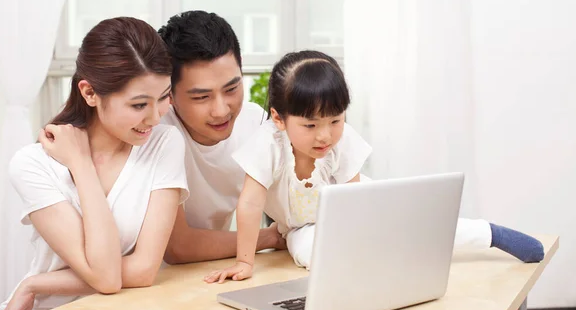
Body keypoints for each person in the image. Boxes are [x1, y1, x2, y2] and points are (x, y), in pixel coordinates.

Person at [204, 50, 545, 283]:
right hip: (301, 228)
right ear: (278, 118)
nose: (325, 135)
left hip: (353, 206)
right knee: (310, 253)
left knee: (413, 220)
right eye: (310, 125)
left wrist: (364, 231)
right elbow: (249, 203)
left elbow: (355, 197)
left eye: (335, 120)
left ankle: (489, 234)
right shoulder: (268, 144)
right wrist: (245, 261)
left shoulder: (341, 139)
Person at [0, 17, 189, 310]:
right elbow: (108, 277)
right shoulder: (32, 165)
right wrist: (82, 165)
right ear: (89, 93)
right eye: (139, 105)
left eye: (164, 97)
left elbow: (143, 270)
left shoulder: (163, 144)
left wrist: (36, 283)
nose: (155, 117)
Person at [158, 11, 284, 265]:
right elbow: (177, 247)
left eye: (232, 89)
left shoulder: (252, 121)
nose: (222, 110)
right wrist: (268, 238)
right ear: (168, 94)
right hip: (158, 282)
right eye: (201, 97)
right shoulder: (157, 131)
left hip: (215, 270)